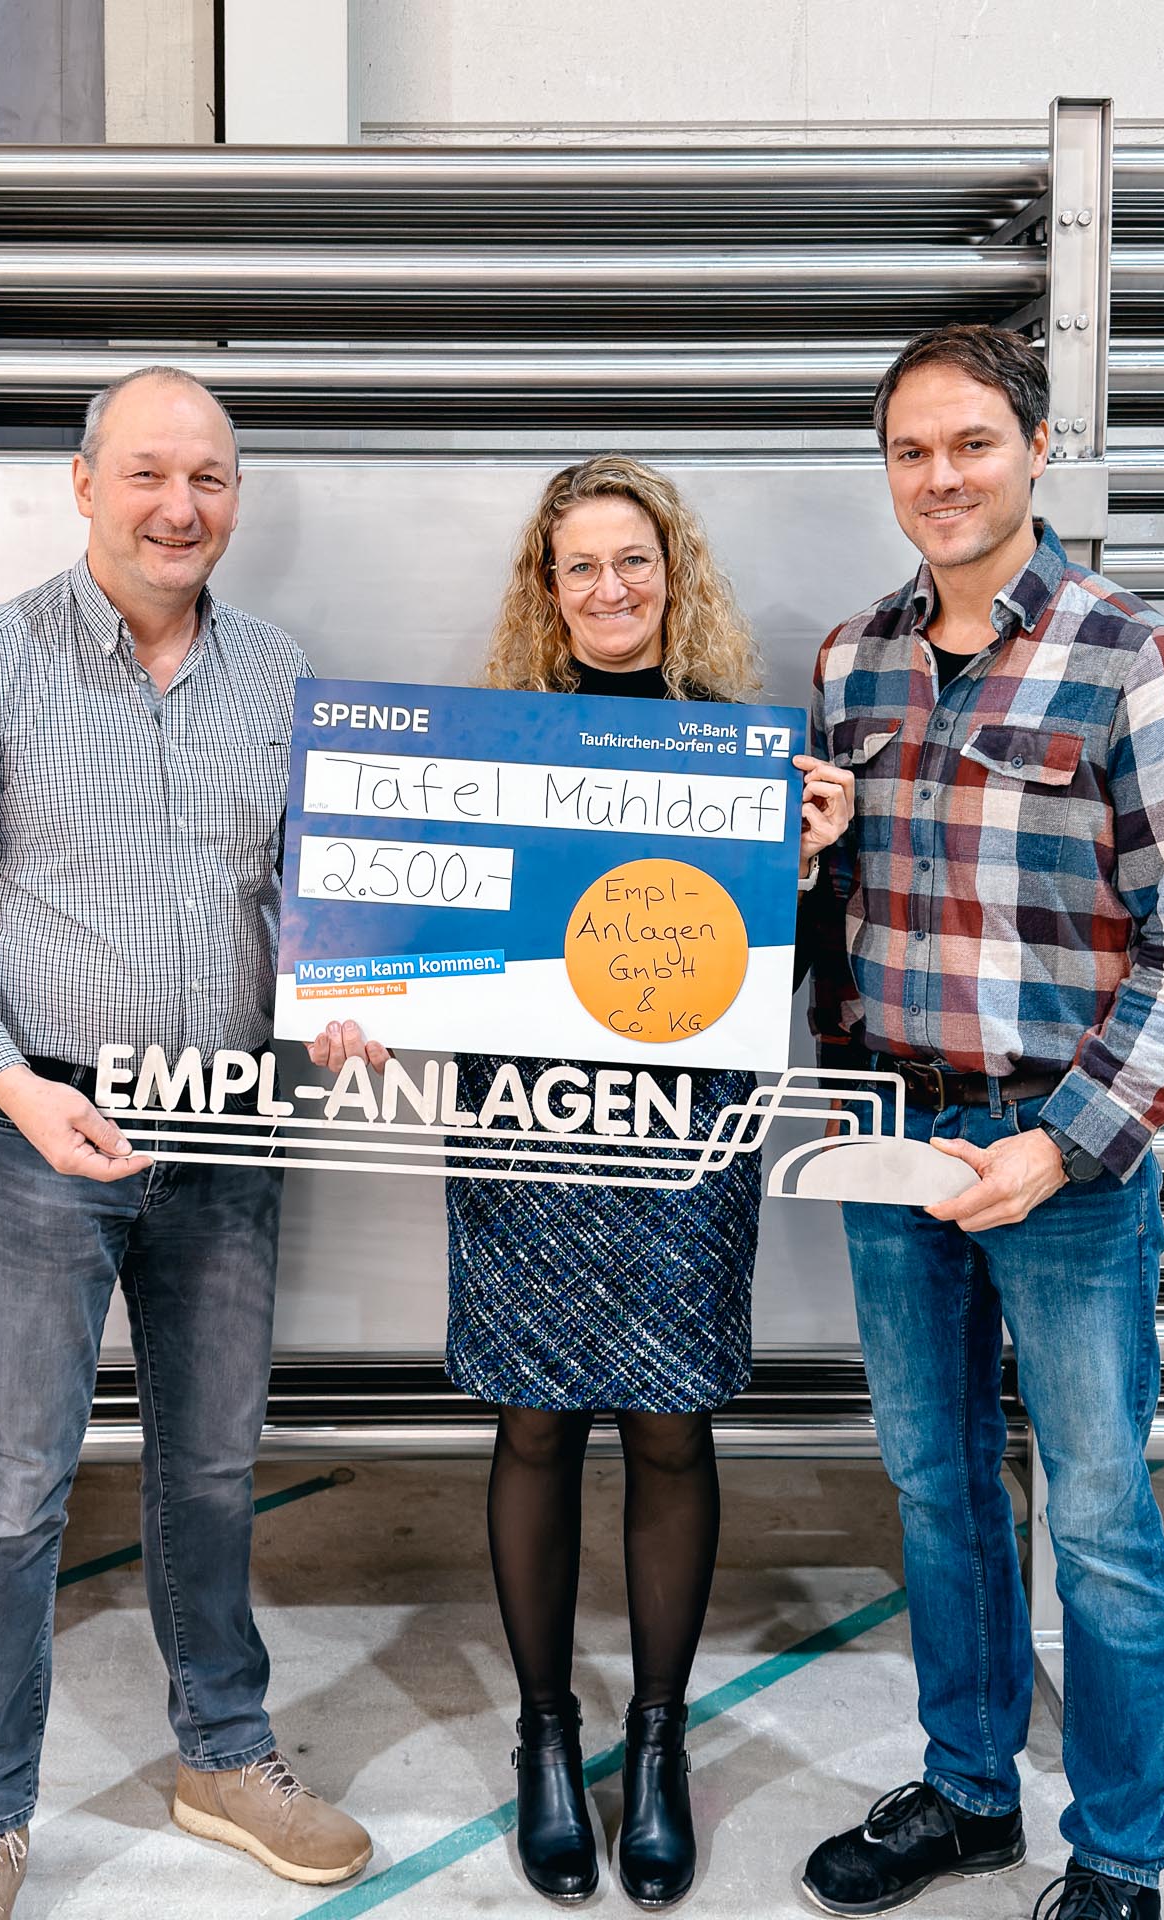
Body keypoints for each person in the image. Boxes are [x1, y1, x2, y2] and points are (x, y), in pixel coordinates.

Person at [0, 366, 373, 1920]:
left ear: (236, 498)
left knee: (211, 1464)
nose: (178, 507)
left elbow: (317, 897)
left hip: (227, 1123)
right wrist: (16, 1088)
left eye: (207, 478)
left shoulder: (281, 676)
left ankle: (225, 1754)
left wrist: (349, 995)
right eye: (147, 473)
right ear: (83, 485)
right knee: (16, 1487)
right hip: (41, 1133)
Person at [315, 455, 848, 1911]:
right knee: (534, 1423)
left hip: (684, 1133)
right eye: (581, 568)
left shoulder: (744, 757)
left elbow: (781, 984)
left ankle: (657, 1742)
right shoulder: (487, 752)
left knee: (674, 1428)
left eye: (633, 562)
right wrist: (360, 998)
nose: (610, 588)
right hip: (524, 1128)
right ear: (546, 596)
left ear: (673, 578)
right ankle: (547, 1736)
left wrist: (807, 868)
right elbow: (406, 941)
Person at [796, 326, 1164, 1920]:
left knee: (1098, 1516)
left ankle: (1119, 1854)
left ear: (1038, 448)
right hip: (894, 1135)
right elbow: (827, 920)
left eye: (971, 443)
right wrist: (799, 859)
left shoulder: (1137, 663)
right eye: (910, 450)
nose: (940, 477)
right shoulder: (851, 663)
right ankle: (972, 1792)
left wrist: (1059, 1145)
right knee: (935, 1484)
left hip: (1065, 1156)